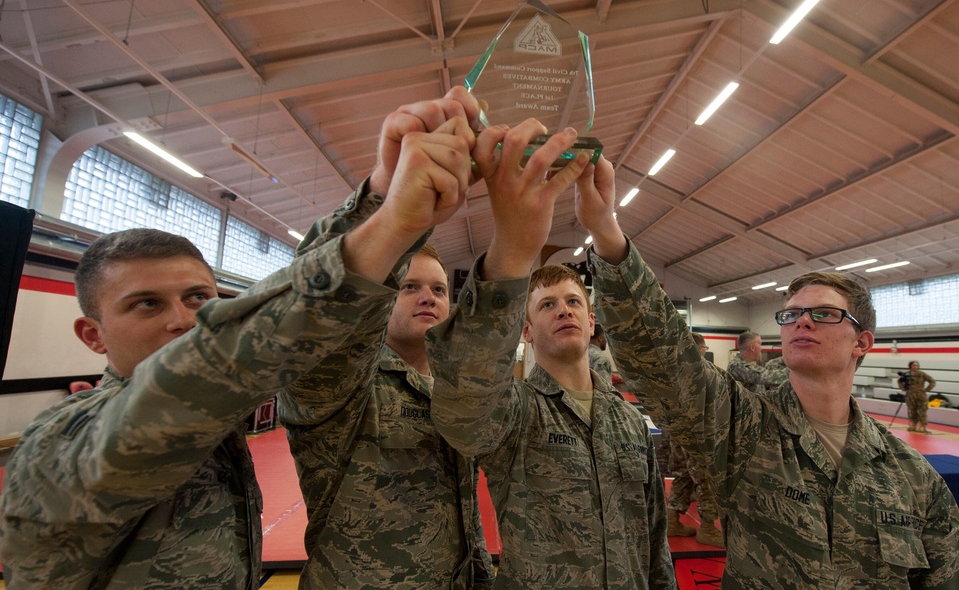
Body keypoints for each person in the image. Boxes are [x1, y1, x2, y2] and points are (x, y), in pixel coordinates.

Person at [0, 88, 490, 589]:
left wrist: (381, 197)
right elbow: (208, 371)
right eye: (146, 303)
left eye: (199, 300)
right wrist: (387, 221)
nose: (184, 320)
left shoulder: (218, 441)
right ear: (92, 335)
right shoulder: (59, 445)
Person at [578, 157, 959, 588]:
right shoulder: (745, 429)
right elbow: (664, 360)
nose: (802, 322)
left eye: (823, 314)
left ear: (862, 342)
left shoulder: (912, 476)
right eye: (791, 315)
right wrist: (607, 233)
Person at [271, 86, 512, 588]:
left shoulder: (457, 388)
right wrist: (386, 204)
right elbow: (316, 316)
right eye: (409, 287)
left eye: (439, 290)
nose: (428, 297)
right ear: (383, 296)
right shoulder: (344, 390)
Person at [430, 148, 676, 589]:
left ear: (591, 320)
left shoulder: (628, 421)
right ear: (524, 330)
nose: (564, 311)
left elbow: (655, 539)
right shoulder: (513, 414)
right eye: (547, 305)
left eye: (573, 302)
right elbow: (465, 395)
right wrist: (511, 247)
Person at [663, 333, 724, 549]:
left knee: (683, 475)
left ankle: (672, 520)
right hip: (698, 434)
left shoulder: (671, 370)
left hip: (676, 432)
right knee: (706, 478)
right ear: (698, 348)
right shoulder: (701, 370)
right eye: (704, 348)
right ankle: (708, 527)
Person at [899, 360, 936, 433]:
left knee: (922, 410)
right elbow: (899, 381)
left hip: (921, 395)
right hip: (910, 395)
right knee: (912, 410)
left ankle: (922, 425)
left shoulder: (922, 374)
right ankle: (913, 424)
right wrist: (903, 388)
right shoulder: (906, 374)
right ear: (910, 366)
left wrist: (926, 389)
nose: (915, 367)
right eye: (914, 365)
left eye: (917, 365)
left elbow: (932, 381)